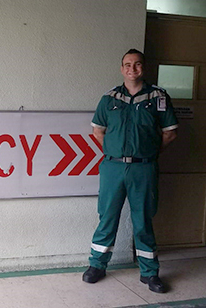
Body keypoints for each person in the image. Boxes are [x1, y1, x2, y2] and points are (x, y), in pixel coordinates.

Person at [82, 49, 178, 293]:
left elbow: (170, 133)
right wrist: (114, 154)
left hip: (143, 168)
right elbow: (98, 132)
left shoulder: (158, 97)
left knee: (143, 220)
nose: (132, 69)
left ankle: (149, 274)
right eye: (127, 64)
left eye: (136, 64)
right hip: (113, 167)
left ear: (143, 67)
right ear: (121, 68)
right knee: (107, 217)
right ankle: (97, 266)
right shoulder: (109, 98)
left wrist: (150, 154)